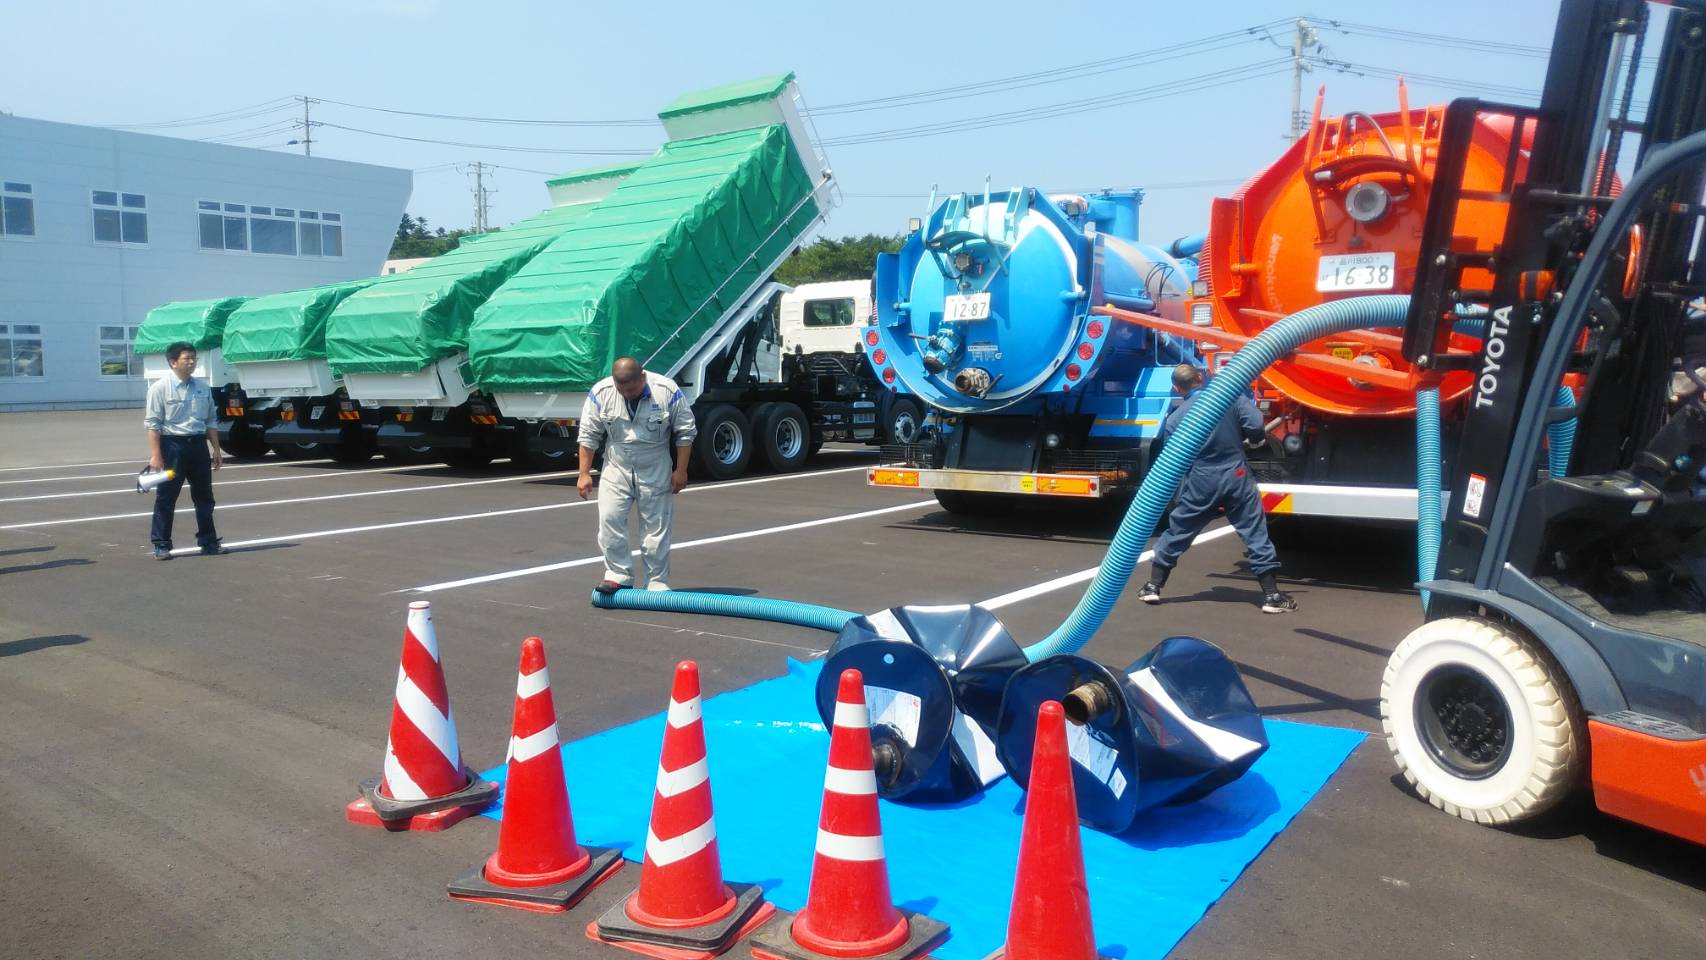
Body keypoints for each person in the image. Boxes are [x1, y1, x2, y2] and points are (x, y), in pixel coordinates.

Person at [1138, 363, 1296, 613]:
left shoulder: (1176, 418)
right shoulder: (1228, 400)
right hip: (1236, 474)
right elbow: (1255, 425)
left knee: (1180, 530)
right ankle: (1272, 596)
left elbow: (1173, 460)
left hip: (1201, 479)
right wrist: (1255, 439)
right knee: (1254, 532)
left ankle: (1153, 586)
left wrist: (1181, 490)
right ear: (1201, 378)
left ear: (1176, 388)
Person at [577, 356, 698, 593]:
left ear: (642, 377)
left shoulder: (666, 390)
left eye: (632, 389)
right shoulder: (601, 392)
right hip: (616, 463)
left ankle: (657, 580)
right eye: (622, 390)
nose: (628, 394)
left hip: (654, 461)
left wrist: (681, 471)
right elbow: (588, 435)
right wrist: (583, 473)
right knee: (609, 519)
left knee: (656, 526)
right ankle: (618, 574)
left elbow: (685, 432)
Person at [144, 341, 226, 560]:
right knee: (166, 497)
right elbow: (153, 424)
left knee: (204, 498)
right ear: (173, 362)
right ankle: (161, 543)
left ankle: (208, 541)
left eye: (193, 358)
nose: (191, 362)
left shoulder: (202, 388)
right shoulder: (160, 388)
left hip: (198, 447)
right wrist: (156, 455)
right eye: (186, 358)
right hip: (172, 448)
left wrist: (216, 449)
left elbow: (210, 420)